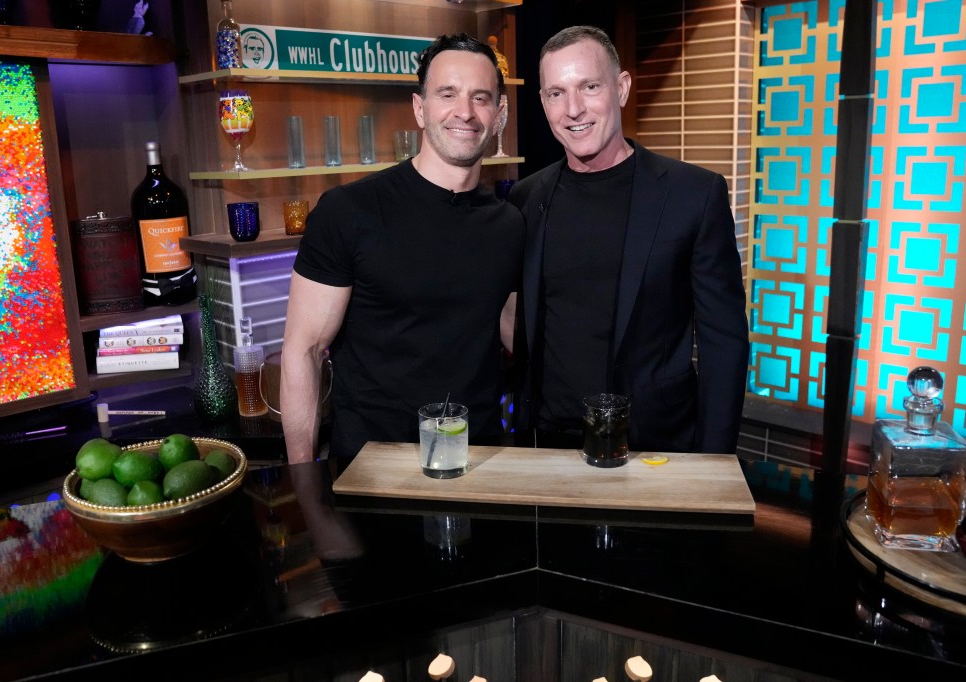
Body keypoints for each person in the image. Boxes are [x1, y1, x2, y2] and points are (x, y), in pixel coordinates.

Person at [281, 33, 523, 463]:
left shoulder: (508, 223)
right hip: (373, 468)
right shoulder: (349, 211)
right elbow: (304, 351)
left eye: (480, 97)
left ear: (499, 114)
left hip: (479, 462)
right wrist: (303, 480)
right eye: (447, 94)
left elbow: (514, 330)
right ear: (419, 108)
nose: (465, 111)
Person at [509, 26, 749, 454]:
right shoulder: (527, 198)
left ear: (620, 88)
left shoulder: (693, 195)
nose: (574, 109)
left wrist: (716, 462)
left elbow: (723, 341)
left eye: (590, 86)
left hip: (654, 445)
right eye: (556, 93)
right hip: (547, 444)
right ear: (543, 103)